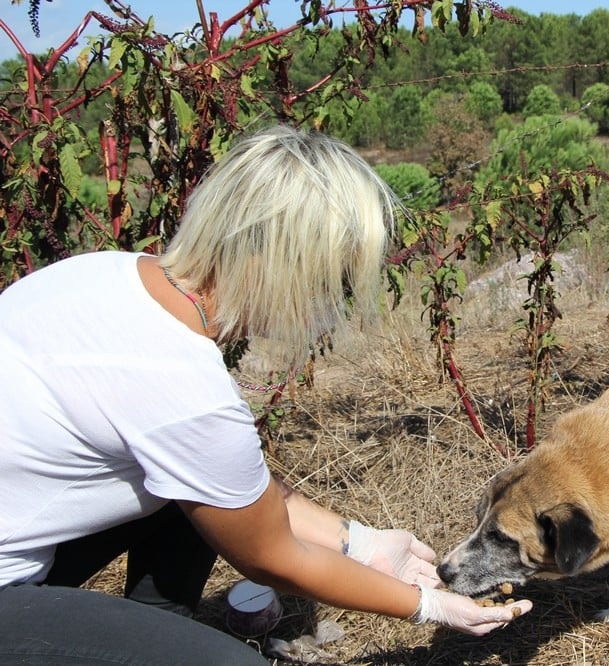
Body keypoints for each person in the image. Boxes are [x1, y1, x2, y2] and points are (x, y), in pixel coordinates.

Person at [0, 124, 531, 664]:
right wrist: (427, 605)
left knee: (188, 489)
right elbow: (271, 557)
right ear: (285, 263)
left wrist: (361, 542)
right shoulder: (183, 386)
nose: (335, 305)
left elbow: (229, 483)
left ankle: (154, 631)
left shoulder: (102, 274)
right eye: (336, 279)